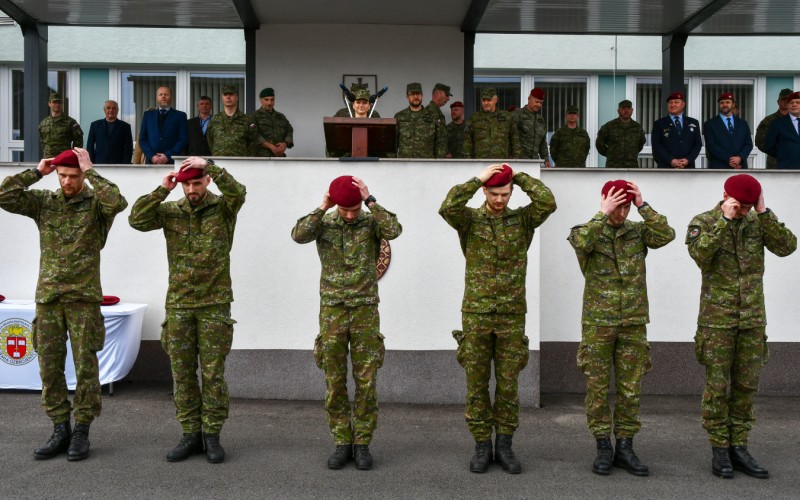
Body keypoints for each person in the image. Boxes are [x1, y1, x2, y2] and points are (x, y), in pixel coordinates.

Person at [0, 148, 127, 461]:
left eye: (72, 176)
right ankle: (59, 427)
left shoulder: (97, 204)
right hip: (50, 298)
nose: (67, 181)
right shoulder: (45, 203)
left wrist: (92, 171)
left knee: (86, 367)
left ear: (81, 174)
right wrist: (37, 172)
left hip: (83, 298)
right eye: (62, 176)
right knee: (50, 367)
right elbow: (4, 195)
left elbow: (118, 202)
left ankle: (82, 429)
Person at [439, 164, 556, 474]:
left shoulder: (523, 220)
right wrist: (478, 178)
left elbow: (548, 202)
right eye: (494, 193)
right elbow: (447, 206)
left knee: (508, 385)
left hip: (511, 314)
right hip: (476, 313)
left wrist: (516, 175)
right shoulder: (469, 220)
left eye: (505, 193)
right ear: (484, 192)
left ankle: (504, 445)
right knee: (476, 384)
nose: (500, 199)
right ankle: (481, 445)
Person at [128, 156, 246, 464]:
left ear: (206, 181)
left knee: (213, 375)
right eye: (187, 184)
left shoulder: (223, 208)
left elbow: (238, 192)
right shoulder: (170, 211)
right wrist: (162, 189)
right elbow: (136, 219)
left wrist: (211, 165)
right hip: (179, 304)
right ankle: (190, 433)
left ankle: (212, 435)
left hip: (214, 304)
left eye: (197, 182)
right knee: (181, 374)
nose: (192, 189)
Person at [686, 174, 796, 479]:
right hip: (717, 321)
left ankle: (740, 446)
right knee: (717, 387)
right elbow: (700, 254)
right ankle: (719, 448)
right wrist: (725, 220)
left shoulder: (757, 221)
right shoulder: (704, 221)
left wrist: (764, 213)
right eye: (741, 206)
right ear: (726, 195)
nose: (744, 211)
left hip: (751, 320)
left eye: (749, 206)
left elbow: (787, 247)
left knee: (746, 387)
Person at [291, 175, 402, 471]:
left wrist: (370, 199)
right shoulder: (324, 223)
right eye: (345, 210)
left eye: (355, 209)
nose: (351, 215)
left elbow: (395, 228)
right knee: (334, 379)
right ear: (336, 204)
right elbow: (298, 235)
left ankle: (363, 443)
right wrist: (323, 206)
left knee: (366, 381)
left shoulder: (371, 221)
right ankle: (342, 442)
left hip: (365, 309)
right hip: (333, 312)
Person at [568, 180, 675, 477]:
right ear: (604, 201)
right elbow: (580, 244)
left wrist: (643, 205)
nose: (622, 212)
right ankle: (603, 446)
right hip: (598, 323)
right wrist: (603, 213)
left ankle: (626, 446)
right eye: (618, 205)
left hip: (633, 322)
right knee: (598, 389)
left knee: (630, 389)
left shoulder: (638, 232)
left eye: (626, 206)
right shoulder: (587, 230)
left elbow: (666, 235)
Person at [464, 88, 521, 159]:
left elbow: (515, 141)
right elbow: (467, 143)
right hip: (480, 163)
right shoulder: (474, 118)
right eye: (483, 100)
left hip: (501, 162)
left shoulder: (507, 118)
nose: (486, 103)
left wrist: (516, 160)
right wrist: (468, 162)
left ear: (496, 100)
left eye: (489, 100)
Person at [394, 82, 446, 158]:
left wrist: (438, 165)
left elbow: (441, 143)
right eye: (412, 94)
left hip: (427, 165)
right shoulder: (399, 117)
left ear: (422, 95)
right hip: (404, 165)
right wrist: (392, 164)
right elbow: (392, 143)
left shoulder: (432, 116)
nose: (415, 97)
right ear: (407, 97)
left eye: (418, 94)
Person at [651, 91, 703, 168]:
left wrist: (687, 159)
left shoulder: (693, 122)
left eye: (676, 102)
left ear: (683, 104)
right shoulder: (659, 123)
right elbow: (657, 145)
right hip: (666, 167)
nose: (673, 105)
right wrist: (671, 160)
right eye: (670, 102)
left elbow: (697, 144)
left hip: (688, 167)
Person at [138, 86, 188, 165]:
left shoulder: (180, 116)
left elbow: (183, 139)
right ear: (157, 98)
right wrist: (152, 156)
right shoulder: (148, 115)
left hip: (172, 162)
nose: (163, 96)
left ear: (171, 97)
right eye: (160, 94)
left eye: (166, 94)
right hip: (151, 162)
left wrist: (168, 156)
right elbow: (142, 139)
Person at [703, 92, 753, 169]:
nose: (725, 105)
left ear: (733, 105)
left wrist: (740, 158)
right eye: (722, 103)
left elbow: (748, 144)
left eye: (728, 102)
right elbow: (711, 146)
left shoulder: (743, 123)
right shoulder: (710, 124)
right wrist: (730, 160)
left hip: (740, 166)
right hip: (719, 167)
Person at [207, 84, 257, 157]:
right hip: (219, 162)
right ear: (222, 98)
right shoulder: (215, 119)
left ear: (237, 97)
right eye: (225, 94)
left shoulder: (247, 120)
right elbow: (210, 140)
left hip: (240, 162)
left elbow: (253, 142)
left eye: (231, 94)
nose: (228, 97)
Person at [595, 100, 646, 168]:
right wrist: (611, 154)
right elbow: (599, 144)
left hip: (632, 166)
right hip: (613, 166)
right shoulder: (609, 126)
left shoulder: (637, 127)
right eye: (623, 109)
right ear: (618, 111)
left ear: (632, 110)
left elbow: (640, 144)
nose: (626, 111)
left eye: (628, 108)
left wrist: (631, 154)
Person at [250, 87, 294, 157]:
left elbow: (289, 131)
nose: (269, 103)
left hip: (279, 157)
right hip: (260, 158)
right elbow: (254, 134)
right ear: (261, 100)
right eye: (266, 100)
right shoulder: (254, 117)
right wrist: (270, 146)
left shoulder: (281, 117)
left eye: (272, 100)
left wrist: (285, 144)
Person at [755, 88, 793, 169]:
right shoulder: (769, 120)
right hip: (775, 162)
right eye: (783, 99)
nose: (786, 101)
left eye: (788, 99)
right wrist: (778, 152)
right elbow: (760, 142)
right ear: (778, 102)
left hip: (795, 161)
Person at [86, 100, 133, 164]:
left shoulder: (125, 127)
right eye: (108, 108)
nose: (111, 110)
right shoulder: (95, 125)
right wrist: (90, 163)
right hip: (99, 164)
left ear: (117, 110)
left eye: (114, 108)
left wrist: (125, 165)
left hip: (118, 165)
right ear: (104, 110)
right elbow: (90, 146)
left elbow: (128, 149)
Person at [38, 92, 84, 159]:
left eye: (59, 102)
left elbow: (78, 142)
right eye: (54, 102)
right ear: (49, 104)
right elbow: (43, 142)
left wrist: (73, 157)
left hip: (64, 160)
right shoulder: (43, 123)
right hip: (48, 160)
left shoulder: (71, 122)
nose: (57, 105)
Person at [763, 91, 800, 169]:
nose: (794, 105)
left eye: (797, 102)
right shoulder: (777, 123)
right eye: (791, 103)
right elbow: (769, 146)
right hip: (786, 167)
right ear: (788, 105)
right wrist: (783, 154)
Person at [513, 87, 550, 166]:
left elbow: (542, 142)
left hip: (534, 162)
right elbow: (510, 136)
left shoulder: (541, 120)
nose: (539, 105)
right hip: (518, 161)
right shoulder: (517, 114)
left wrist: (546, 159)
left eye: (541, 103)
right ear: (529, 99)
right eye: (536, 102)